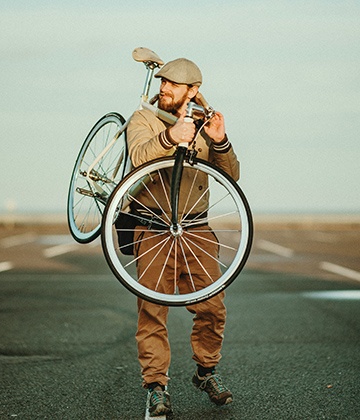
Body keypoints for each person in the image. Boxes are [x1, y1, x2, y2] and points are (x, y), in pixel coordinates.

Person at [126, 57, 240, 417]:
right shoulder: (143, 118)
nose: (165, 88)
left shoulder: (205, 122)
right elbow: (138, 156)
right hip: (154, 228)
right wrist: (169, 137)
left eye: (174, 84)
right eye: (163, 82)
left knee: (212, 308)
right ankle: (156, 387)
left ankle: (206, 373)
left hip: (196, 230)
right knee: (152, 312)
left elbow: (232, 176)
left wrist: (219, 142)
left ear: (193, 91)